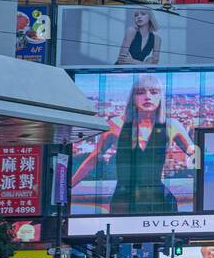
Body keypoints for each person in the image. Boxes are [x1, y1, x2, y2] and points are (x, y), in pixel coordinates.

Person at [70, 74, 195, 214]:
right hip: (124, 201)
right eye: (141, 92)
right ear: (133, 97)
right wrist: (67, 188)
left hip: (159, 201)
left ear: (160, 97)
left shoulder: (172, 126)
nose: (147, 97)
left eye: (154, 92)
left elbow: (196, 157)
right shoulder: (116, 125)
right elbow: (92, 160)